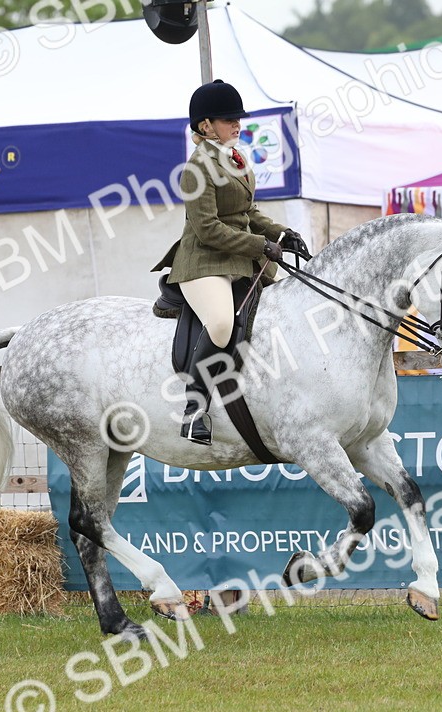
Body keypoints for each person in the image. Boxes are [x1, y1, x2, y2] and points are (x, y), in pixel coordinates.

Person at [154, 79, 307, 446]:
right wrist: (260, 244)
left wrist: (283, 233)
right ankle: (194, 410)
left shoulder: (235, 158)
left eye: (238, 119)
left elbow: (248, 212)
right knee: (222, 323)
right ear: (206, 126)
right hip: (204, 260)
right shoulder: (196, 168)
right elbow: (207, 229)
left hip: (240, 259)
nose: (237, 124)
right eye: (228, 120)